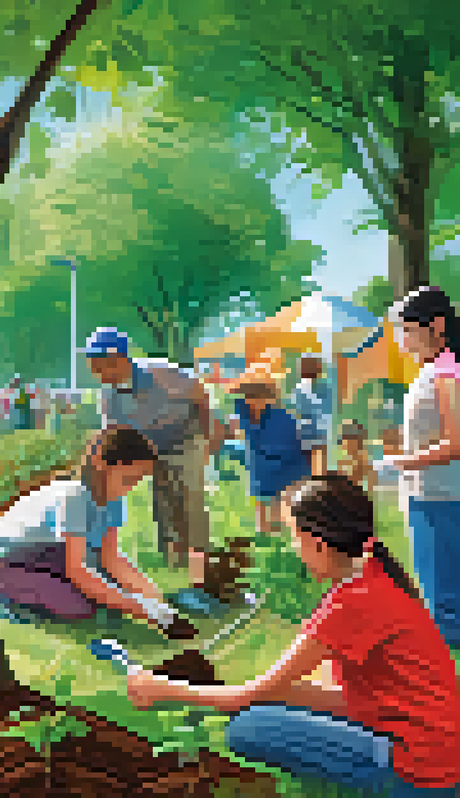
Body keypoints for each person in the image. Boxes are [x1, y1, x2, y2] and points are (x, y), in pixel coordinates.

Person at [126, 474, 460, 795]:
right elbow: (351, 701)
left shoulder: (349, 606)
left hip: (416, 774)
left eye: (293, 536)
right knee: (268, 704)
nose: (293, 548)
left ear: (317, 544)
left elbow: (248, 696)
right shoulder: (376, 577)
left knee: (248, 727)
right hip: (441, 759)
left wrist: (161, 687)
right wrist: (270, 694)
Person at [0, 426, 197, 639]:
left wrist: (160, 606)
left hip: (51, 560)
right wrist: (146, 611)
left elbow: (111, 559)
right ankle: (2, 602)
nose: (130, 488)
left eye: (137, 480)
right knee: (78, 606)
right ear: (101, 465)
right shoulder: (75, 496)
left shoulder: (114, 500)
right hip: (6, 562)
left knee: (104, 590)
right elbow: (77, 570)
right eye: (128, 479)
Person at [84, 327, 222, 574]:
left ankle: (200, 562)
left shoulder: (162, 373)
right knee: (163, 501)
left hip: (185, 438)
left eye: (105, 366)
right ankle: (174, 562)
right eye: (95, 367)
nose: (101, 374)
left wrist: (208, 439)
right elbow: (112, 434)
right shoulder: (107, 395)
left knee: (189, 498)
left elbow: (201, 396)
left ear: (123, 360)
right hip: (151, 447)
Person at [376, 286, 460, 648]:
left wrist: (398, 462)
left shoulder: (445, 371)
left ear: (436, 325)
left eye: (407, 329)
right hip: (432, 492)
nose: (401, 337)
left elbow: (455, 442)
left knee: (442, 590)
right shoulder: (434, 369)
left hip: (439, 495)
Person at [227, 379, 311, 536]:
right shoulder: (243, 413)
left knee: (279, 507)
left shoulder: (282, 418)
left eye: (258, 397)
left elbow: (292, 446)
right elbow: (235, 426)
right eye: (249, 397)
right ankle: (264, 535)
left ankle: (279, 535)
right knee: (262, 503)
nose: (253, 402)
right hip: (261, 464)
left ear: (267, 399)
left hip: (287, 465)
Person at [288, 355, 334, 476]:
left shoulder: (321, 387)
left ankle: (317, 479)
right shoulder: (302, 388)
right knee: (313, 460)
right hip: (310, 429)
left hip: (312, 429)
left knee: (315, 460)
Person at [340, 420, 377, 495]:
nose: (346, 443)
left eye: (350, 439)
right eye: (345, 439)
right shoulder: (344, 462)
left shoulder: (363, 460)